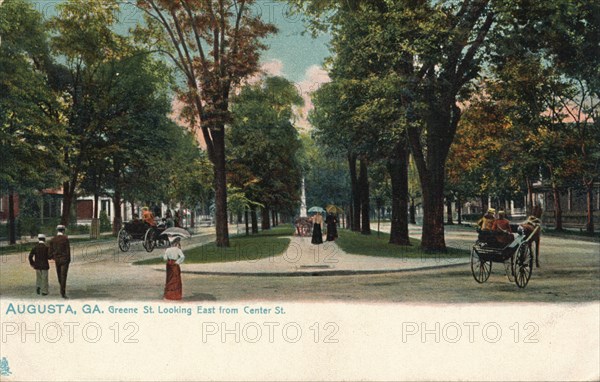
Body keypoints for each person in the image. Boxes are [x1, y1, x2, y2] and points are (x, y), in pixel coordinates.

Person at [48, 225, 71, 299]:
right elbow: (68, 250)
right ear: (63, 231)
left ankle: (61, 288)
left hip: (57, 259)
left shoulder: (53, 240)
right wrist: (68, 259)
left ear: (57, 230)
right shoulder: (65, 239)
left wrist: (52, 257)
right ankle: (63, 292)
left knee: (59, 275)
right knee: (63, 275)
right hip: (64, 259)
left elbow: (50, 252)